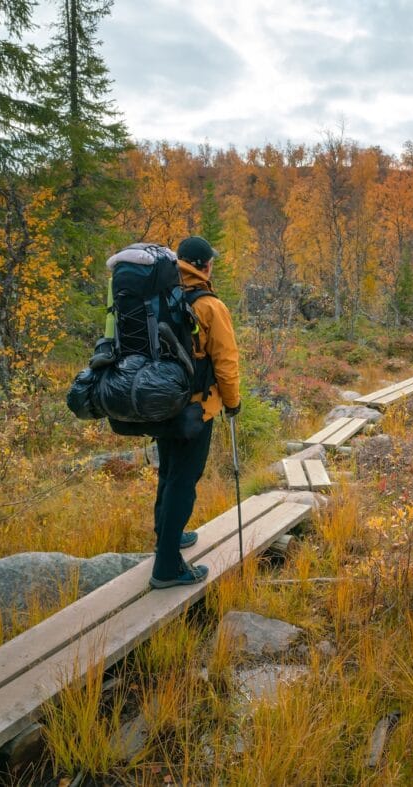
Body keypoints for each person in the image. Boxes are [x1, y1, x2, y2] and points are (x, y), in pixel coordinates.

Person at [149, 236, 241, 589]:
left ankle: (166, 538)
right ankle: (167, 568)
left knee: (169, 472)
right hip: (195, 410)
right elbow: (226, 362)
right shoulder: (209, 306)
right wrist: (232, 402)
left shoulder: (161, 295)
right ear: (205, 265)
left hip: (160, 402)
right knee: (184, 482)